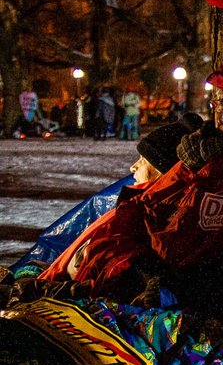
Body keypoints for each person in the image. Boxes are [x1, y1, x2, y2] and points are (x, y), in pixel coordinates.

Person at [60, 50, 223, 316]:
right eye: (220, 105)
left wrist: (174, 288)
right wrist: (138, 270)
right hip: (138, 286)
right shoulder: (198, 156)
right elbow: (134, 215)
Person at [9, 114, 204, 280]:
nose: (133, 167)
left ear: (163, 171)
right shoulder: (138, 205)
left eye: (143, 160)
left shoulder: (144, 215)